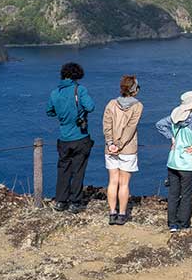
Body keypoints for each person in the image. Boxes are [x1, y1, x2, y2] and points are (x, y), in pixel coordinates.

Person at [155, 91, 192, 232]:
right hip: (187, 164)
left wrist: (171, 137)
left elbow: (159, 124)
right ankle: (183, 223)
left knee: (173, 193)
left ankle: (172, 223)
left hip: (173, 161)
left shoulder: (173, 119)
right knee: (186, 195)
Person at [46, 62, 95, 213]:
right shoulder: (79, 90)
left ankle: (61, 201)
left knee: (63, 169)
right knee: (78, 170)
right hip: (80, 137)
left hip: (64, 138)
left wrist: (62, 116)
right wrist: (80, 113)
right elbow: (91, 107)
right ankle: (75, 202)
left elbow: (49, 111)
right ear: (77, 75)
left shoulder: (55, 93)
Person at [102, 74, 143, 225]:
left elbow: (106, 125)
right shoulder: (137, 106)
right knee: (124, 183)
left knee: (112, 181)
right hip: (127, 149)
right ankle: (122, 214)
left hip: (110, 148)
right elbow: (130, 128)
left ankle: (112, 213)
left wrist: (111, 143)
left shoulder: (111, 104)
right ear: (134, 89)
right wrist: (119, 145)